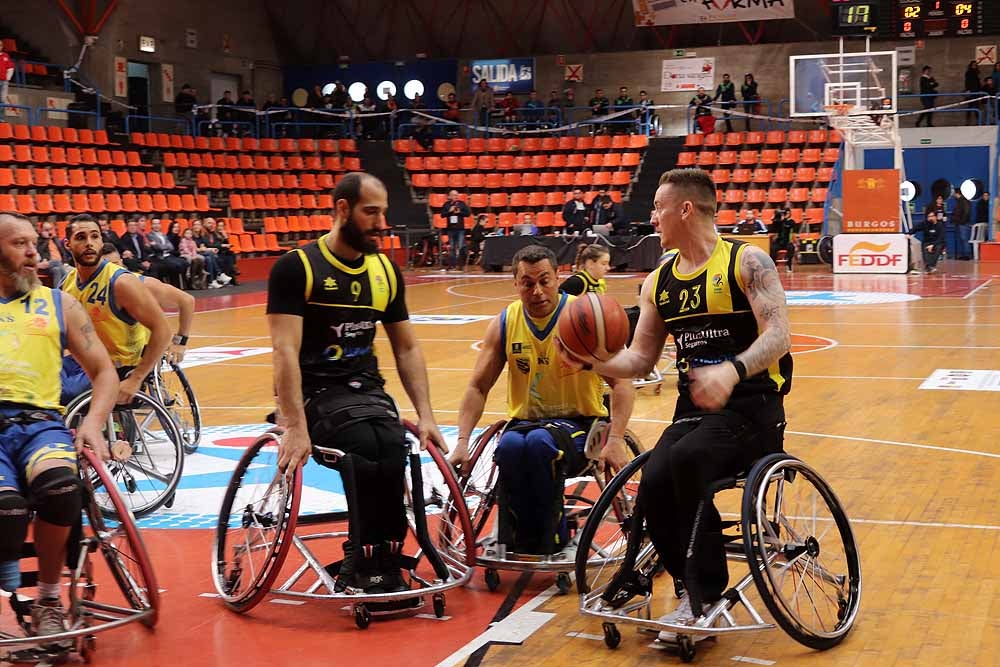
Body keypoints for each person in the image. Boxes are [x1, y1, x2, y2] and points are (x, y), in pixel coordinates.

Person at [559, 168, 792, 642]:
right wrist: (590, 360)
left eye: (659, 207)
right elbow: (642, 357)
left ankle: (703, 593)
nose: (653, 216)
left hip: (753, 409)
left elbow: (780, 335)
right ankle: (688, 587)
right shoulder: (658, 281)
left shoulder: (746, 263)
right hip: (693, 415)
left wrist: (732, 370)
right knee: (655, 480)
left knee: (684, 463)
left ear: (685, 209)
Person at [267, 172, 446, 593]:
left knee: (392, 444)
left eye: (383, 211)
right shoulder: (298, 268)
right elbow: (284, 352)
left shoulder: (384, 270)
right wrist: (293, 425)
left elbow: (406, 349)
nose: (381, 221)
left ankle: (384, 552)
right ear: (342, 209)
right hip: (314, 391)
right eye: (371, 212)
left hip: (365, 390)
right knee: (366, 448)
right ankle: (366, 554)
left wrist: (426, 415)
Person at [451, 244, 634, 554]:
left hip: (582, 424)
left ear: (558, 277)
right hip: (525, 423)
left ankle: (553, 539)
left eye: (544, 281)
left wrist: (615, 437)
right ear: (515, 283)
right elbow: (477, 388)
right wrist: (462, 440)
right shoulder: (506, 322)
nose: (536, 291)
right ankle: (517, 539)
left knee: (539, 443)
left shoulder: (585, 316)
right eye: (527, 283)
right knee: (508, 446)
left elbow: (623, 383)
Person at [0, 211, 119, 644]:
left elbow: (105, 373)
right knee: (7, 512)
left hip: (41, 426)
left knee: (61, 488)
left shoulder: (59, 304)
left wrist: (94, 423)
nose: (34, 252)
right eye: (19, 244)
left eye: (35, 242)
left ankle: (49, 601)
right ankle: (8, 575)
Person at [59, 215, 172, 406]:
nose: (89, 243)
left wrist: (136, 379)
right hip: (84, 363)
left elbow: (163, 329)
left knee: (59, 393)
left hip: (118, 369)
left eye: (95, 237)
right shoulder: (68, 282)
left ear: (102, 241)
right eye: (81, 237)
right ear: (67, 244)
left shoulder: (121, 282)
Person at [100, 243, 194, 364]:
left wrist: (180, 342)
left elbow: (187, 300)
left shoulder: (143, 284)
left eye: (115, 264)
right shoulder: (90, 287)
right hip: (106, 357)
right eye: (105, 266)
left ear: (122, 262)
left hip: (140, 358)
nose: (111, 270)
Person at [440, 190, 471, 270]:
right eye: (454, 195)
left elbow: (467, 214)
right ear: (449, 196)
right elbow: (442, 215)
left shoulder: (461, 203)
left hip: (460, 229)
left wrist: (460, 212)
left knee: (461, 246)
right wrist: (449, 211)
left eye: (457, 195)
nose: (456, 197)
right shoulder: (446, 205)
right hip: (450, 229)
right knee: (452, 247)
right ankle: (452, 265)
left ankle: (461, 265)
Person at [35, 221, 71, 288]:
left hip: (60, 265)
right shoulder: (39, 241)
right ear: (41, 231)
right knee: (56, 262)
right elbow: (40, 250)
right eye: (46, 230)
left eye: (50, 229)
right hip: (46, 265)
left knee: (57, 270)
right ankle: (67, 286)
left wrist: (65, 262)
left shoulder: (56, 240)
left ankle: (57, 291)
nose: (49, 232)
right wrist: (47, 239)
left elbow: (63, 252)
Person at [770, 207, 796, 272]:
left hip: (787, 242)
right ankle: (774, 265)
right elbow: (773, 228)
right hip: (779, 241)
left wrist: (783, 220)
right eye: (785, 213)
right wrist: (774, 218)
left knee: (791, 248)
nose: (786, 214)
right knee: (772, 248)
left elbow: (788, 226)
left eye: (787, 213)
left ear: (790, 214)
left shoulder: (791, 222)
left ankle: (789, 265)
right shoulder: (778, 221)